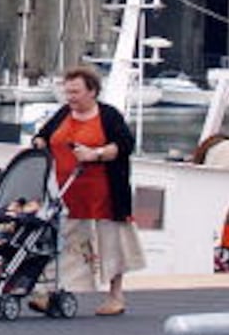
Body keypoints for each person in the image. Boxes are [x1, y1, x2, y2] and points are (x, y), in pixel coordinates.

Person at [30, 65, 144, 316]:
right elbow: (44, 136)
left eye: (76, 92)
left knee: (110, 242)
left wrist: (96, 154)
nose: (70, 97)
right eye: (67, 92)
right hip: (66, 192)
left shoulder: (109, 116)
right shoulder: (62, 113)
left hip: (103, 193)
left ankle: (115, 297)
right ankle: (51, 291)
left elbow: (125, 145)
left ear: (92, 91)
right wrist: (38, 143)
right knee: (62, 243)